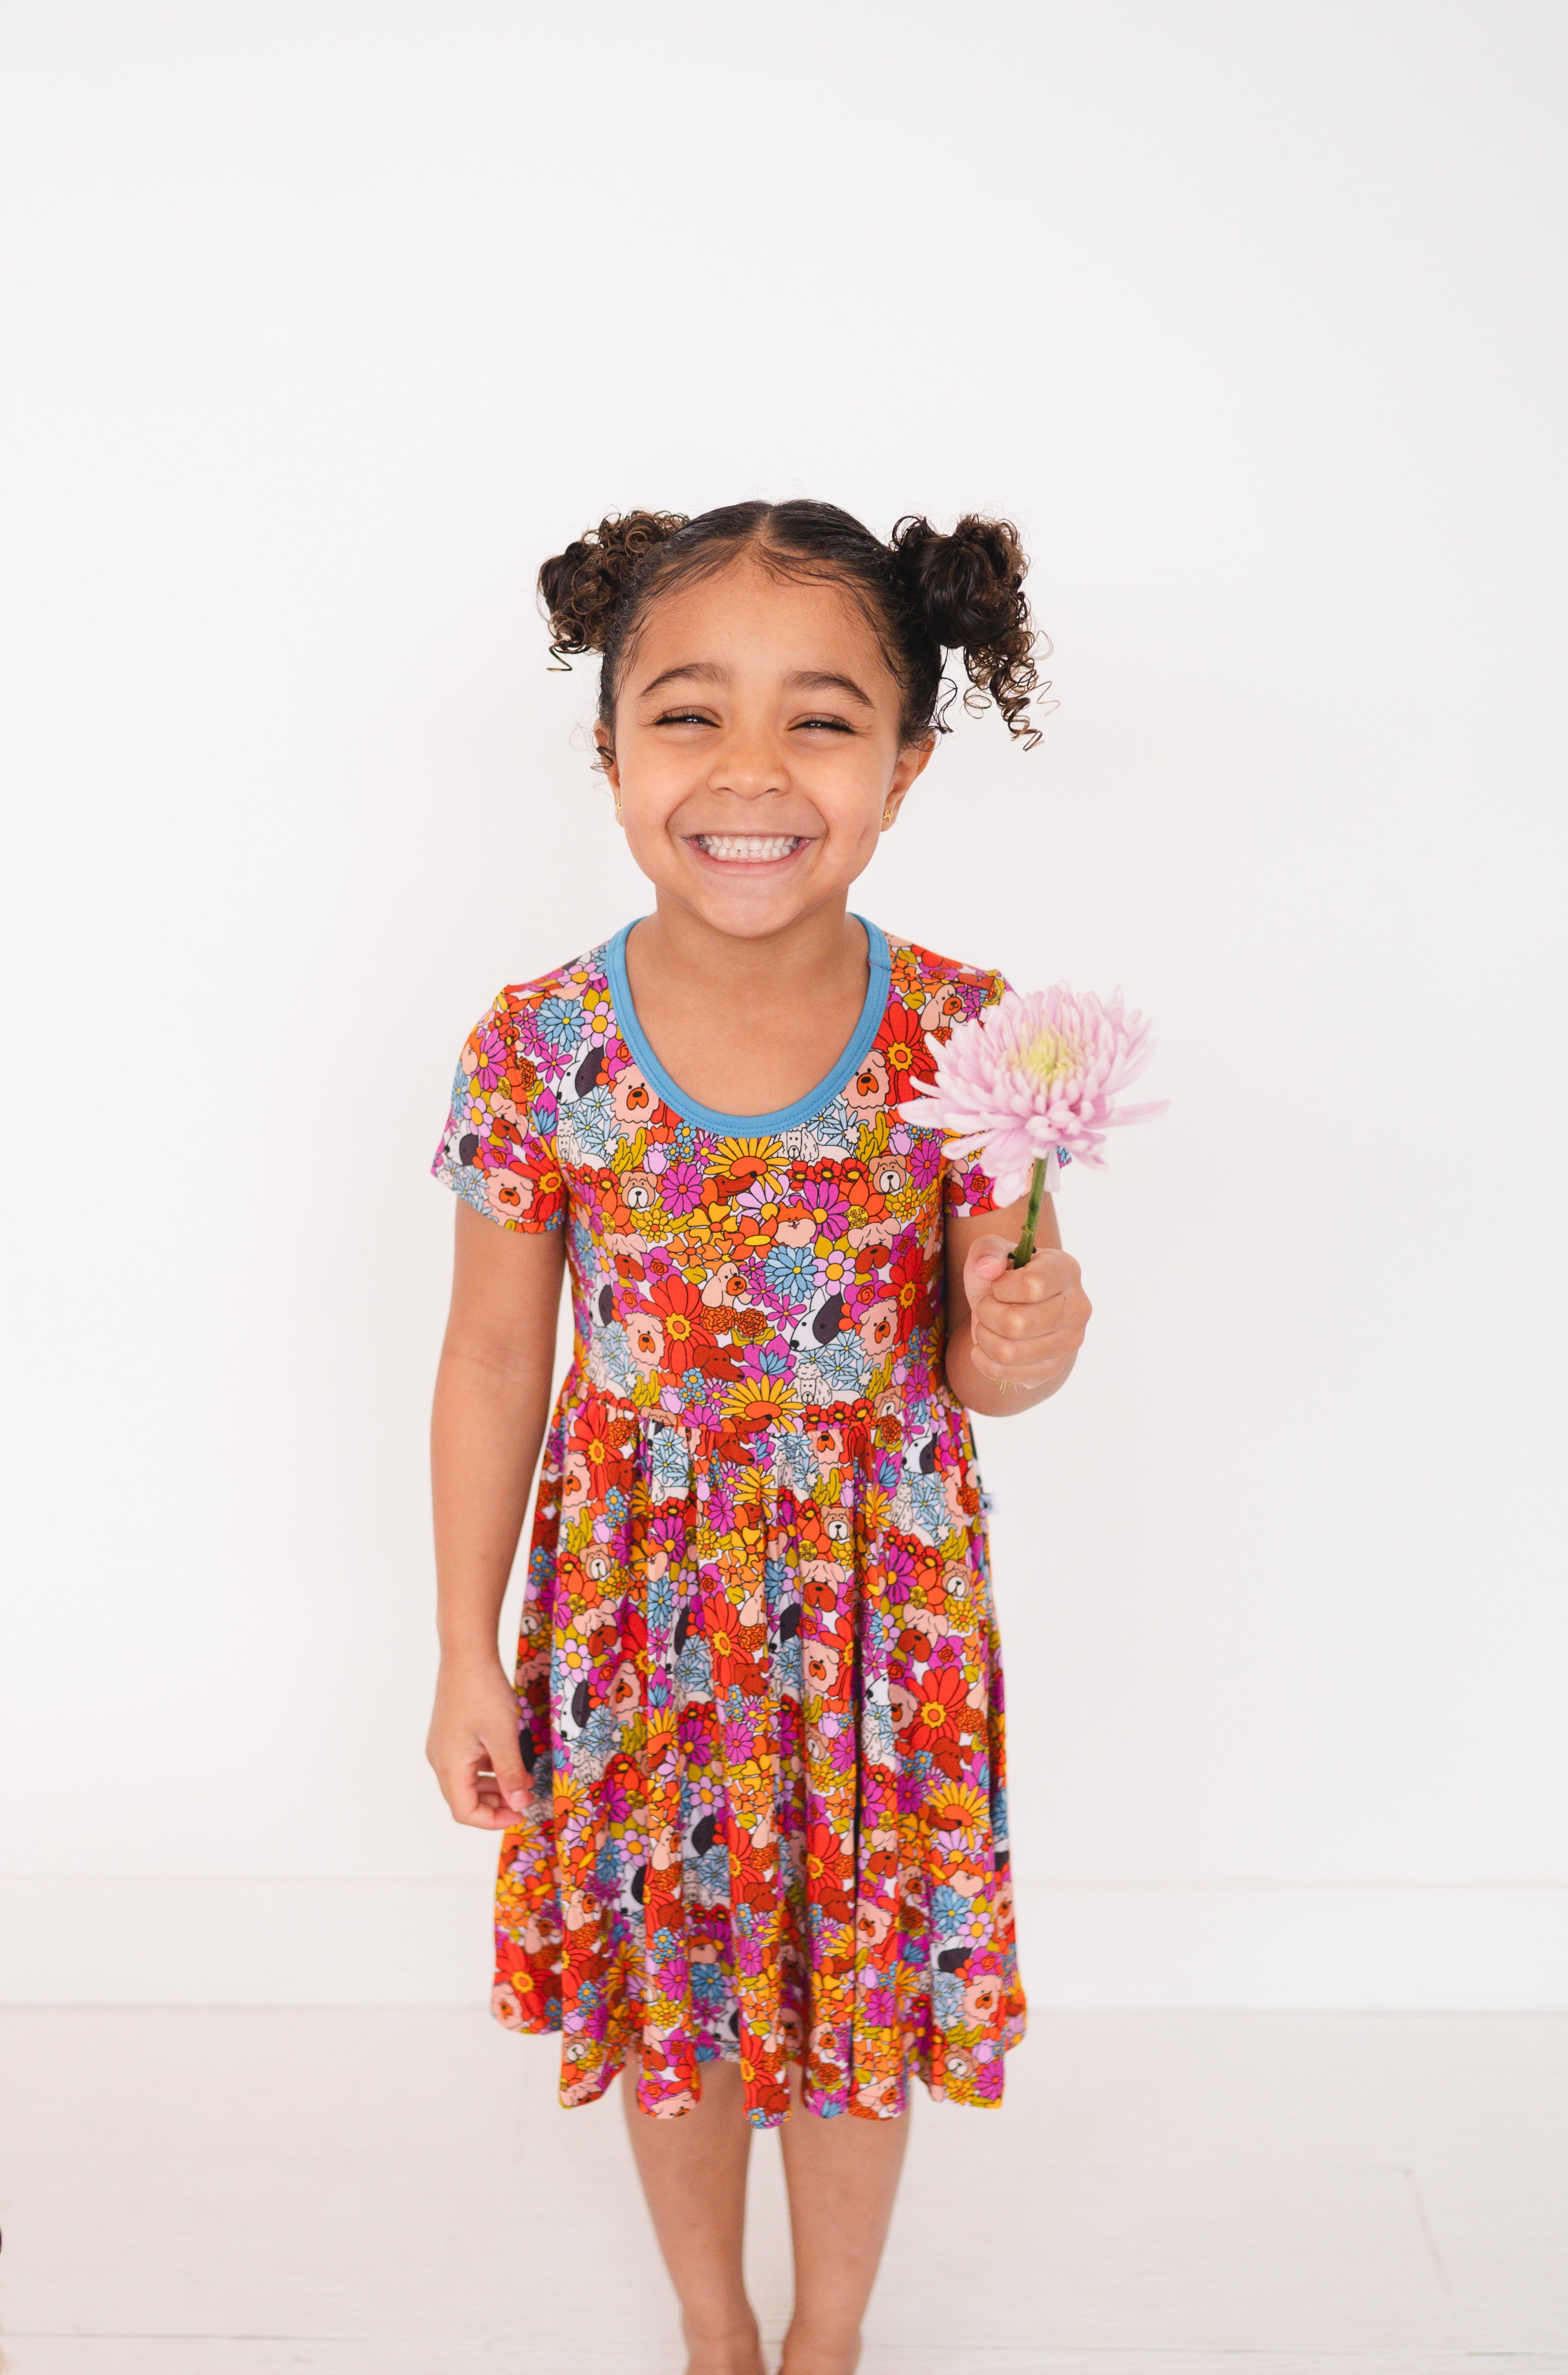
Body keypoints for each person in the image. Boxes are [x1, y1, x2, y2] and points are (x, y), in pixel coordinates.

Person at [425, 500, 1092, 2375]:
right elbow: (492, 1360)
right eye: (686, 713)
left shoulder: (970, 1037)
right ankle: (717, 2328)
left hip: (885, 1624)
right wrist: (468, 1653)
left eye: (819, 719)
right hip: (641, 1623)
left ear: (905, 766)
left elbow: (994, 1352)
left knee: (855, 1996)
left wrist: (1035, 1324)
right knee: (682, 1994)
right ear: (611, 748)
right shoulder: (536, 1045)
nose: (748, 772)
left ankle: (833, 2335)